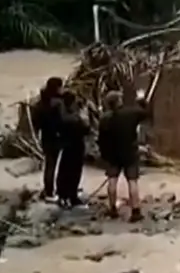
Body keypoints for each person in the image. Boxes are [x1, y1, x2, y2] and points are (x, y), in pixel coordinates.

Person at [97, 89, 152, 221]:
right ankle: (135, 211)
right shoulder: (130, 113)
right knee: (132, 181)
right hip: (129, 152)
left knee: (112, 180)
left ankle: (112, 209)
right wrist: (141, 100)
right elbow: (146, 113)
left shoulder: (104, 118)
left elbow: (101, 139)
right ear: (119, 101)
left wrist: (104, 155)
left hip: (112, 154)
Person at [30, 77, 64, 202]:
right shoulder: (58, 103)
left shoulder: (40, 103)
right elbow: (63, 120)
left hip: (45, 136)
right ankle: (53, 191)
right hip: (57, 137)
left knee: (49, 164)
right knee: (55, 165)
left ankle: (48, 189)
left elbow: (35, 122)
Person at [55, 92, 89, 208]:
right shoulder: (74, 118)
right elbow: (86, 129)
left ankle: (64, 195)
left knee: (64, 171)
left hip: (66, 146)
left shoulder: (61, 115)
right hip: (75, 146)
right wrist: (84, 116)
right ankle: (70, 195)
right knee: (73, 172)